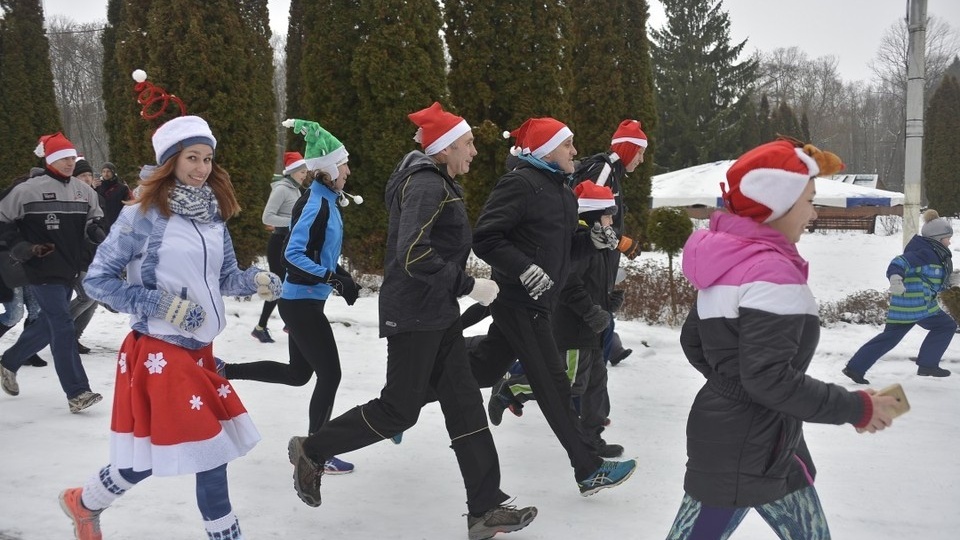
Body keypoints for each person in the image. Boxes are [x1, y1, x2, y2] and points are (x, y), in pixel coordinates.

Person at [286, 102, 537, 539]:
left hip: (436, 313)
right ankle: (313, 449)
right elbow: (414, 253)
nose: (474, 151)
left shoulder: (437, 180)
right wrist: (468, 285)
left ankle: (486, 507)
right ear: (444, 148)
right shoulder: (425, 183)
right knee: (399, 411)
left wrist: (458, 288)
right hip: (416, 314)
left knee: (465, 406)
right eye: (468, 143)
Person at [59, 113, 281, 540]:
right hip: (159, 349)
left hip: (200, 352)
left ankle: (84, 502)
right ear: (171, 161)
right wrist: (160, 305)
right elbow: (98, 281)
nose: (201, 168)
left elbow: (223, 277)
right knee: (210, 453)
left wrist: (253, 280)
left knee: (147, 456)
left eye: (207, 159)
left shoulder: (213, 215)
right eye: (192, 158)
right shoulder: (142, 213)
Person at [666, 139, 900, 539]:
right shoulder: (771, 272)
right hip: (748, 445)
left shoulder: (728, 260)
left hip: (754, 438)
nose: (814, 211)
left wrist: (733, 385)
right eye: (809, 200)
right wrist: (856, 407)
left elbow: (696, 343)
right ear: (776, 206)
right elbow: (768, 379)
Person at [471, 117, 636, 496]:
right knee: (555, 387)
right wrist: (524, 269)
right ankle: (588, 469)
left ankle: (407, 398)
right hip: (519, 301)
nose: (575, 152)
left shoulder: (560, 191)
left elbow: (560, 252)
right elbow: (486, 238)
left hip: (538, 303)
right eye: (567, 145)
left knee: (483, 367)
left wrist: (589, 241)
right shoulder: (520, 183)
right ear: (546, 149)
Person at [226, 120, 357, 474]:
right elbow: (292, 256)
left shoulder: (327, 199)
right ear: (329, 169)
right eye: (343, 164)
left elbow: (321, 253)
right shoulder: (315, 203)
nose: (348, 170)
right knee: (330, 376)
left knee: (300, 374)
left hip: (306, 300)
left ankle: (225, 370)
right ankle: (316, 451)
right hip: (300, 303)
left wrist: (342, 278)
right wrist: (333, 278)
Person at [0, 132, 105, 413]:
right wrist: (20, 246)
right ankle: (77, 391)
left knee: (51, 322)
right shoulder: (27, 190)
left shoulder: (85, 192)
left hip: (69, 269)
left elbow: (93, 221)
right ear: (52, 159)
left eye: (73, 157)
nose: (71, 163)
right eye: (65, 158)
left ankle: (9, 361)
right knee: (62, 324)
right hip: (40, 268)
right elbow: (3, 219)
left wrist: (97, 234)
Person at [842, 209, 955, 383]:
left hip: (906, 305)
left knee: (889, 338)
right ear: (938, 239)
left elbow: (936, 278)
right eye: (948, 238)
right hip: (919, 304)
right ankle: (927, 364)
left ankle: (855, 368)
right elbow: (899, 262)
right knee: (945, 326)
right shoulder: (926, 253)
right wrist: (895, 279)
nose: (949, 242)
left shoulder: (932, 253)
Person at [573, 119, 648, 367]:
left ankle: (607, 353)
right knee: (591, 324)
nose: (642, 160)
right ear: (627, 149)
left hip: (601, 258)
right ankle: (517, 375)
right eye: (640, 153)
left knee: (601, 320)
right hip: (590, 258)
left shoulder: (615, 173)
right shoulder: (604, 169)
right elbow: (586, 211)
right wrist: (619, 242)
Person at [250, 151, 309, 343]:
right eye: (301, 171)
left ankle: (283, 323)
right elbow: (267, 217)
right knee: (279, 286)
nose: (304, 174)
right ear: (291, 171)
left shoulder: (296, 190)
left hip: (289, 243)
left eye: (305, 171)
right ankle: (265, 326)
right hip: (278, 243)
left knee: (289, 284)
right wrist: (293, 221)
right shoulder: (282, 189)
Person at [68, 158, 105, 354]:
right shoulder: (70, 198)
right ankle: (56, 327)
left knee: (94, 299)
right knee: (87, 295)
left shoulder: (98, 198)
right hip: (76, 257)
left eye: (90, 175)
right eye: (83, 175)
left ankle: (73, 336)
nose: (87, 178)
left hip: (94, 256)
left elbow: (102, 225)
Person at [96, 161, 132, 234]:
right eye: (104, 171)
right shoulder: (97, 187)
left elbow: (127, 206)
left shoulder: (122, 188)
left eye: (108, 171)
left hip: (117, 222)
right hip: (102, 223)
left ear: (113, 172)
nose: (106, 174)